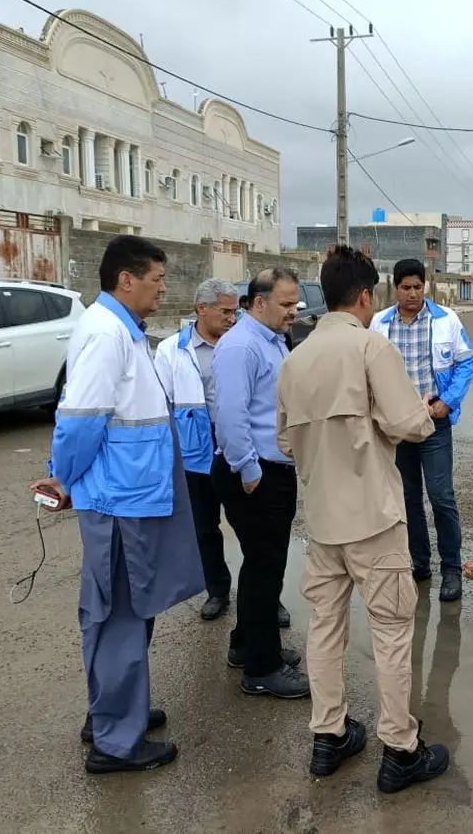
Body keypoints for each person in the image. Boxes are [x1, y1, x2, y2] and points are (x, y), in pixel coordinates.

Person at [277, 245, 450, 793]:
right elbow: (410, 424)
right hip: (374, 518)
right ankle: (400, 747)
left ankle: (328, 736)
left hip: (322, 521)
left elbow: (284, 441)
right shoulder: (371, 346)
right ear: (363, 296)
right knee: (393, 633)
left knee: (324, 630)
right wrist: (418, 410)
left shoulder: (294, 359)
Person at [30, 234, 203, 773]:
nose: (162, 289)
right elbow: (79, 421)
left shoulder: (122, 331)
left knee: (129, 612)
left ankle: (114, 711)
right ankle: (115, 742)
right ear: (125, 280)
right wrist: (62, 477)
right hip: (121, 502)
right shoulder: (107, 335)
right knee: (117, 618)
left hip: (134, 495)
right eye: (156, 280)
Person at [212, 268, 309, 698]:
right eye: (287, 304)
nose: (295, 312)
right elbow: (230, 418)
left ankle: (248, 644)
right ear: (259, 302)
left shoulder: (269, 340)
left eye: (295, 304)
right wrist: (249, 471)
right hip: (254, 476)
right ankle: (262, 669)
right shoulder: (241, 346)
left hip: (271, 471)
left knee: (260, 565)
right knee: (265, 568)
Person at [369, 259, 473, 602]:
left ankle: (452, 569)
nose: (412, 293)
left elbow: (466, 361)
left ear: (425, 286)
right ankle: (419, 562)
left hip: (434, 421)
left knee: (441, 496)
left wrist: (447, 401)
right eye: (405, 287)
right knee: (407, 498)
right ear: (395, 288)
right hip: (396, 426)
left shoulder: (446, 320)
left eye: (418, 287)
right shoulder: (379, 324)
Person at [153, 279, 239, 621]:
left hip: (237, 448)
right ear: (201, 308)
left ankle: (264, 594)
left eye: (236, 311)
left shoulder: (242, 345)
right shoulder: (171, 350)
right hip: (195, 453)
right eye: (226, 311)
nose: (233, 318)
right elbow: (162, 404)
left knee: (251, 527)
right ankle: (217, 589)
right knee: (204, 527)